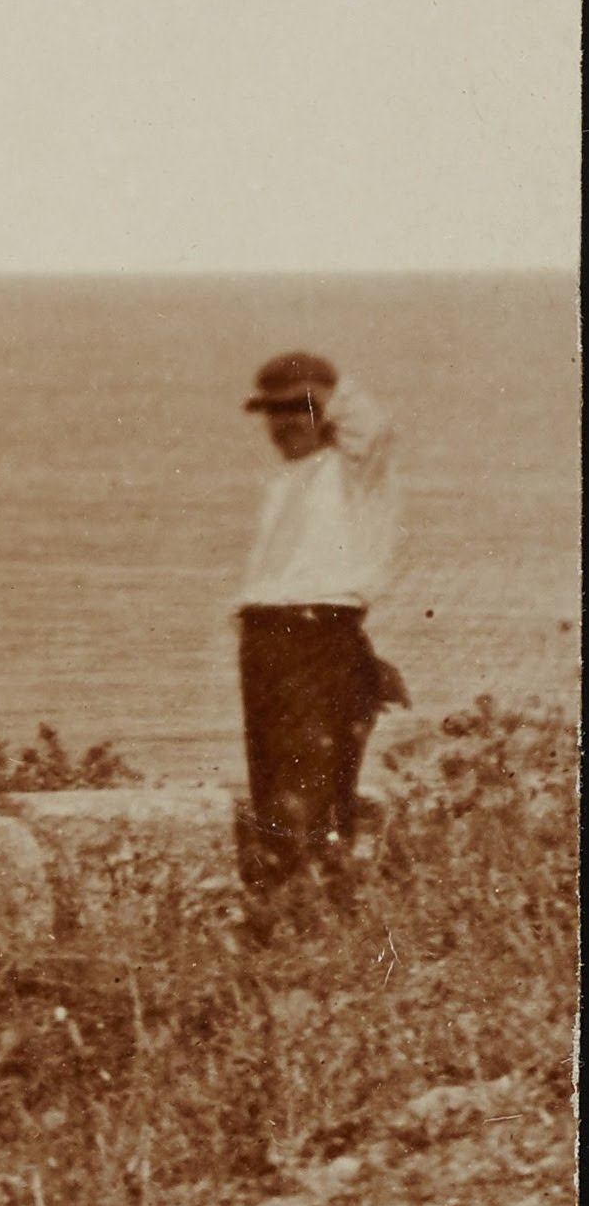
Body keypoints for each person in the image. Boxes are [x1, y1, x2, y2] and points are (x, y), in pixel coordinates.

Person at [228, 348, 405, 907]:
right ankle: (293, 915)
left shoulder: (354, 469)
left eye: (298, 409)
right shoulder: (287, 481)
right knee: (275, 788)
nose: (284, 424)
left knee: (306, 795)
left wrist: (322, 389)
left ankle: (310, 919)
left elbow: (371, 426)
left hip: (315, 636)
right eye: (273, 412)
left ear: (325, 414)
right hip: (272, 642)